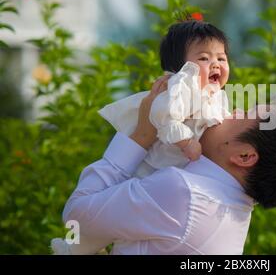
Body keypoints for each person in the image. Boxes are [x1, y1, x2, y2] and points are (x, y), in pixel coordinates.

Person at [56, 74, 276, 254]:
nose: (232, 110)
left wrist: (141, 135)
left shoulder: (185, 193)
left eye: (245, 114)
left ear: (244, 157)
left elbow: (76, 217)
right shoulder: (229, 210)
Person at [51, 19, 233, 254]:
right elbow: (164, 117)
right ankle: (76, 247)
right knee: (119, 210)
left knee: (126, 221)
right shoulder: (181, 87)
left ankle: (83, 246)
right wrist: (186, 142)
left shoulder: (216, 94)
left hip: (175, 179)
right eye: (204, 58)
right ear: (179, 69)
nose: (215, 64)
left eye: (221, 58)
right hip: (154, 166)